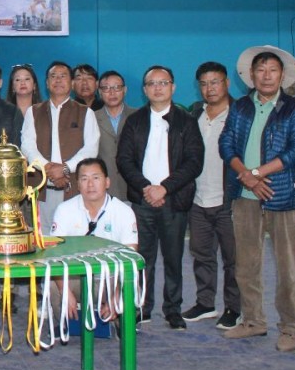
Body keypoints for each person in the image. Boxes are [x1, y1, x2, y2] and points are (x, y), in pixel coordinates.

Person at [219, 46, 295, 352]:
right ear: (251, 75)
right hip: (245, 197)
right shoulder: (241, 106)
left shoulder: (294, 108)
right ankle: (253, 321)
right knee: (246, 264)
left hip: (283, 196)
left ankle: (291, 327)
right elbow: (226, 142)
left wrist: (257, 172)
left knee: (289, 267)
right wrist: (245, 175)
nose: (267, 75)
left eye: (273, 70)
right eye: (261, 70)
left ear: (282, 75)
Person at [117, 65, 203, 330]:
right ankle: (142, 307)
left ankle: (173, 309)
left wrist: (164, 188)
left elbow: (194, 162)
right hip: (142, 201)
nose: (157, 88)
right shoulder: (134, 121)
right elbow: (124, 160)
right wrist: (146, 188)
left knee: (174, 257)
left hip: (173, 200)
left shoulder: (187, 121)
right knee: (143, 257)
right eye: (151, 83)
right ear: (144, 90)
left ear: (173, 87)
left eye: (163, 83)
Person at [183, 62, 240, 329]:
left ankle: (234, 308)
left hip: (230, 199)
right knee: (201, 254)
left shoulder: (241, 113)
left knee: (234, 258)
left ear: (227, 83)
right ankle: (206, 303)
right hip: (199, 199)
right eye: (204, 84)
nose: (210, 88)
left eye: (215, 82)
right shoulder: (195, 114)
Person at [50, 158, 139, 320]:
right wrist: (65, 292)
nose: (90, 184)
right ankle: (63, 323)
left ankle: (121, 322)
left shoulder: (124, 212)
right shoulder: (64, 210)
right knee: (52, 283)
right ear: (78, 184)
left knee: (132, 285)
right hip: (77, 275)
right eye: (84, 179)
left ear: (107, 182)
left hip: (111, 278)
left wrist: (117, 296)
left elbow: (131, 259)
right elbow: (54, 257)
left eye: (96, 178)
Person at [21, 61, 100, 230]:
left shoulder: (86, 112)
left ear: (71, 83)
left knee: (74, 237)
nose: (58, 80)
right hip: (43, 187)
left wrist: (64, 168)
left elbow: (91, 149)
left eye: (63, 76)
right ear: (47, 83)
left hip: (73, 187)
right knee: (44, 239)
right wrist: (49, 168)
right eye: (53, 76)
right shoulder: (33, 111)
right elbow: (27, 146)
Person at [94, 70, 136, 202]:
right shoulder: (91, 117)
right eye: (106, 88)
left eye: (117, 87)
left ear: (125, 90)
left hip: (134, 189)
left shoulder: (138, 116)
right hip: (103, 190)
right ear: (100, 92)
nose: (112, 92)